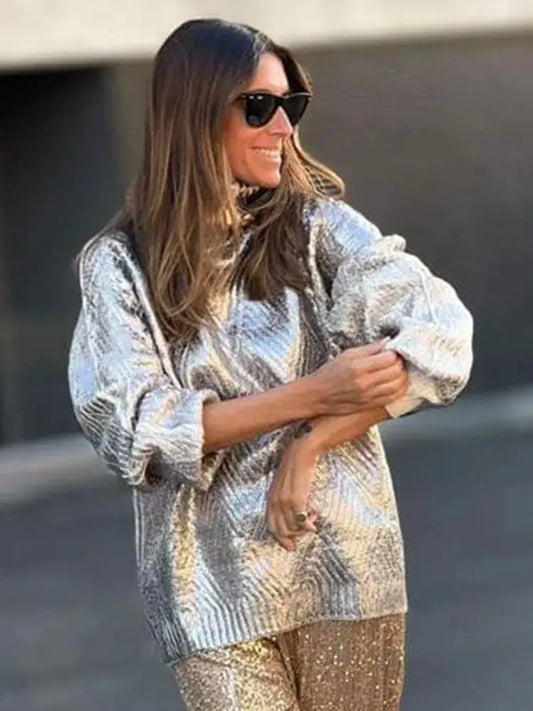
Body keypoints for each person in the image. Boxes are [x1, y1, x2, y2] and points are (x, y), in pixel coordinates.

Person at [67, 18, 474, 711]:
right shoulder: (119, 265)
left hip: (344, 562)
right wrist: (314, 393)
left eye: (292, 105)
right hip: (208, 588)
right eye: (259, 107)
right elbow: (137, 431)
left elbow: (441, 336)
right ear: (195, 114)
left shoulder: (318, 227)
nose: (283, 127)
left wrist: (310, 444)